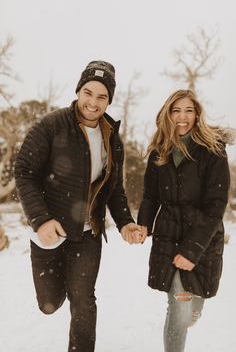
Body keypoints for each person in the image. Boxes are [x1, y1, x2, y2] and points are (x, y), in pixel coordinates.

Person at [14, 60, 141, 352]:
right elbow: (24, 171)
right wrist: (40, 219)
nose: (93, 102)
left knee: (83, 299)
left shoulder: (112, 136)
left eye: (102, 96)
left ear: (109, 100)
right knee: (50, 304)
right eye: (88, 92)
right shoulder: (52, 124)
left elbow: (114, 189)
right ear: (78, 91)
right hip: (51, 230)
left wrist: (125, 222)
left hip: (88, 233)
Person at [137, 89, 231, 352]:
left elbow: (216, 206)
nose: (182, 116)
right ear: (167, 114)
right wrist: (143, 224)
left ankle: (193, 310)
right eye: (176, 110)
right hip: (168, 238)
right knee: (177, 310)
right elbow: (150, 195)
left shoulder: (213, 151)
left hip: (201, 239)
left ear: (197, 114)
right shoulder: (159, 150)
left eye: (188, 110)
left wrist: (191, 251)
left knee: (191, 309)